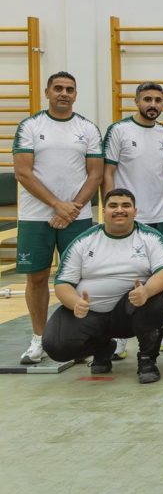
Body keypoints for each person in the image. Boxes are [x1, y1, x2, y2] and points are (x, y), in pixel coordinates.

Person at [13, 71, 103, 365]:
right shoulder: (30, 126)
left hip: (77, 216)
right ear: (47, 92)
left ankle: (80, 341)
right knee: (37, 277)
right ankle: (39, 339)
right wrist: (56, 205)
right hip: (35, 217)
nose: (64, 93)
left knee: (79, 278)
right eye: (58, 88)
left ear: (75, 94)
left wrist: (72, 209)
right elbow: (23, 172)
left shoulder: (87, 128)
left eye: (70, 89)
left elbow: (96, 174)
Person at [41, 189, 163, 384]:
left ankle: (147, 360)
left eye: (126, 205)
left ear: (135, 211)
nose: (119, 210)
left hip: (128, 312)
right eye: (113, 206)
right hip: (88, 313)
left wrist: (146, 291)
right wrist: (75, 302)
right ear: (104, 212)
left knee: (157, 299)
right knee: (55, 346)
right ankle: (102, 348)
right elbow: (63, 283)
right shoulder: (84, 241)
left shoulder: (151, 238)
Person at [102, 81, 163, 356]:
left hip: (161, 215)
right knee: (124, 274)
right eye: (147, 99)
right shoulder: (119, 130)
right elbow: (107, 172)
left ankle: (157, 329)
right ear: (136, 101)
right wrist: (112, 210)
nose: (153, 104)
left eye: (158, 100)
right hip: (128, 217)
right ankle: (119, 336)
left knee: (158, 275)